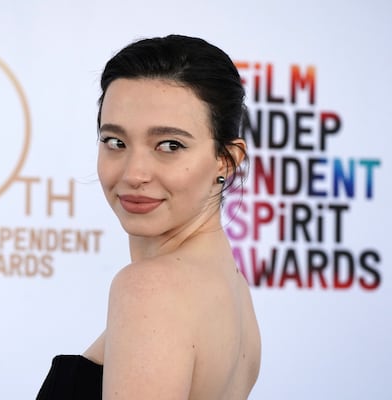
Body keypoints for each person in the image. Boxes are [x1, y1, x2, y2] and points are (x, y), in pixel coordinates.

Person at [37, 34, 261, 400]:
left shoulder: (151, 289)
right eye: (115, 142)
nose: (133, 173)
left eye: (169, 145)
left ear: (226, 159)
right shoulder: (233, 288)